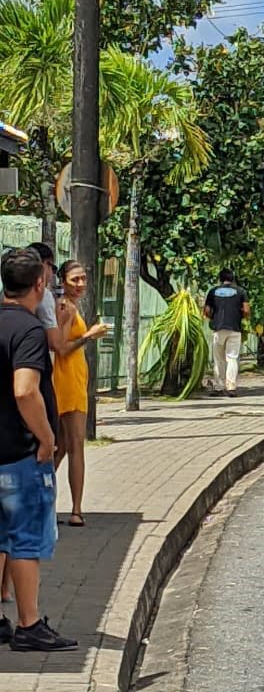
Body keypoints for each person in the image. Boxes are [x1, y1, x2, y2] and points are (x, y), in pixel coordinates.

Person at [0, 248, 77, 651]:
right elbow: (25, 389)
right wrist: (47, 438)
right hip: (21, 454)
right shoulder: (28, 331)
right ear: (40, 283)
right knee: (25, 540)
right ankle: (29, 625)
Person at [52, 261, 109, 528]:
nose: (81, 284)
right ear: (63, 280)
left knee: (62, 447)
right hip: (67, 383)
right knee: (75, 447)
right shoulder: (66, 308)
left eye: (83, 279)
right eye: (75, 279)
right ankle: (76, 509)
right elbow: (62, 348)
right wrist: (89, 334)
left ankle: (37, 502)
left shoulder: (68, 306)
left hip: (72, 381)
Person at [203, 269, 250, 397]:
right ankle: (231, 387)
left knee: (219, 359)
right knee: (232, 358)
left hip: (218, 329)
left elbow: (206, 311)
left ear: (220, 279)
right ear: (233, 278)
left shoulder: (213, 291)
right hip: (235, 329)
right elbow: (246, 310)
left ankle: (218, 387)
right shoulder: (241, 291)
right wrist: (240, 315)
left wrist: (213, 317)